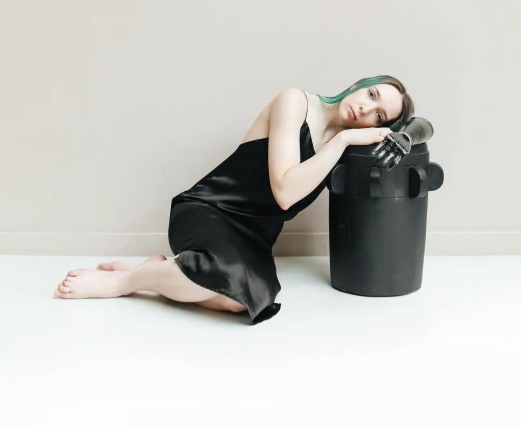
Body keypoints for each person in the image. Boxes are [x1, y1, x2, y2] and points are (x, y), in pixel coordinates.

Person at [53, 74, 414, 324]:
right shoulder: (296, 102)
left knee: (242, 300)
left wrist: (387, 138)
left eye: (378, 115)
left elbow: (423, 128)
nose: (366, 110)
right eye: (371, 95)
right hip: (208, 210)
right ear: (358, 86)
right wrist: (343, 141)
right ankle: (126, 282)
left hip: (252, 240)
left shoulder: (347, 146)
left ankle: (159, 271)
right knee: (223, 277)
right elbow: (285, 192)